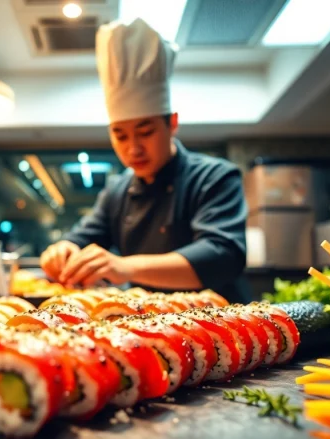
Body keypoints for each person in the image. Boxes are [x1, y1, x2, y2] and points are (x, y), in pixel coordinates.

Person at [40, 18, 250, 303]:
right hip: (145, 321)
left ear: (172, 123)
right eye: (120, 135)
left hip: (219, 321)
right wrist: (63, 249)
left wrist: (124, 267)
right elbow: (84, 237)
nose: (133, 149)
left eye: (146, 132)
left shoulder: (215, 177)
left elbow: (221, 255)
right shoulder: (117, 191)